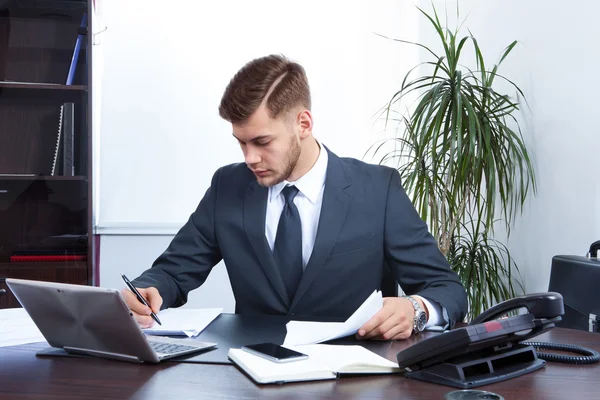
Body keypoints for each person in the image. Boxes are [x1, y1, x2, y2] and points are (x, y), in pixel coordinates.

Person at [124, 54, 467, 340]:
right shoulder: (227, 186)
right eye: (241, 142)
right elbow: (173, 270)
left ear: (303, 123)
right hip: (251, 376)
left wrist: (416, 310)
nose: (249, 158)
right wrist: (148, 291)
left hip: (353, 381)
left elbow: (446, 289)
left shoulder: (378, 189)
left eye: (261, 142)